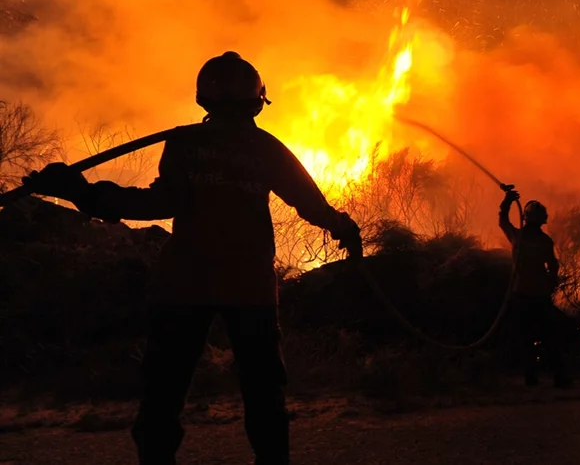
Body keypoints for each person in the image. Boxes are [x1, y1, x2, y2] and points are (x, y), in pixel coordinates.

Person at [21, 51, 362, 465]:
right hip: (249, 286)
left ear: (203, 99)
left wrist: (81, 192)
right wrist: (343, 227)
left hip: (185, 283)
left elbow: (158, 203)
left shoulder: (186, 143)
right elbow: (310, 203)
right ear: (258, 101)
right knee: (263, 392)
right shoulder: (266, 148)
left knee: (163, 391)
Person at [498, 188, 571, 388]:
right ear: (542, 221)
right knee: (550, 336)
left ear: (525, 218)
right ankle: (559, 377)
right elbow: (553, 266)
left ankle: (532, 379)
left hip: (521, 294)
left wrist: (507, 201)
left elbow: (503, 221)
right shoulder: (545, 241)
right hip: (540, 295)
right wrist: (550, 282)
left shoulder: (517, 237)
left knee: (526, 338)